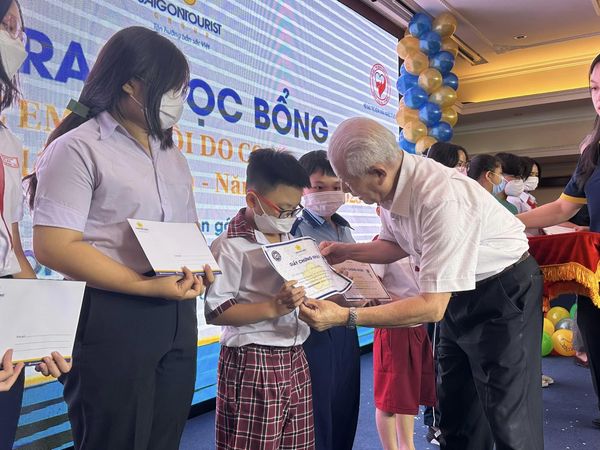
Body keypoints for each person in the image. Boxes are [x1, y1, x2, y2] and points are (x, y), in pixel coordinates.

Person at [299, 117, 543, 450]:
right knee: (454, 408)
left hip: (503, 290)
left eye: (349, 182)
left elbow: (431, 307)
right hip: (457, 293)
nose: (348, 191)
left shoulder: (440, 198)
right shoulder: (389, 187)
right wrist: (347, 251)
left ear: (378, 172)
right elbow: (396, 244)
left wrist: (344, 317)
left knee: (508, 414)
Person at [28, 26, 213, 449]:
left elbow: (187, 231)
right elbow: (53, 245)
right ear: (130, 83)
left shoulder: (173, 155)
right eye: (171, 87)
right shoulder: (78, 147)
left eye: (182, 90)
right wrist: (143, 286)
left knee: (165, 436)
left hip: (176, 310)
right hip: (111, 310)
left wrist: (202, 268)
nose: (177, 100)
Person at [205, 148, 314, 450]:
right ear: (252, 200)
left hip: (295, 354)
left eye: (295, 210)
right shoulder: (230, 246)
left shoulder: (291, 239)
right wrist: (274, 307)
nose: (289, 218)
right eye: (283, 210)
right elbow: (217, 310)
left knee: (298, 443)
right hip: (254, 358)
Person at [0, 2, 69, 448]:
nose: (15, 38)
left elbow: (14, 247)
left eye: (17, 29)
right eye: (6, 24)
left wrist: (43, 331)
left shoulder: (8, 139)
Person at [518, 52, 600, 428]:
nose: (599, 97)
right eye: (594, 88)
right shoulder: (592, 154)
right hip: (597, 281)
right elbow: (562, 208)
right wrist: (506, 222)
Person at [290, 150, 359, 450]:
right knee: (319, 411)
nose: (329, 193)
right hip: (314, 331)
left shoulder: (343, 227)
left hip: (347, 326)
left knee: (345, 405)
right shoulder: (295, 229)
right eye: (319, 187)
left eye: (336, 186)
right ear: (301, 188)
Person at [371, 221, 436, 450]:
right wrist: (407, 305)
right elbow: (374, 290)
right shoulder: (379, 246)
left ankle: (407, 445)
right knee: (388, 399)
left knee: (408, 394)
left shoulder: (418, 243)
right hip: (393, 328)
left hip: (417, 326)